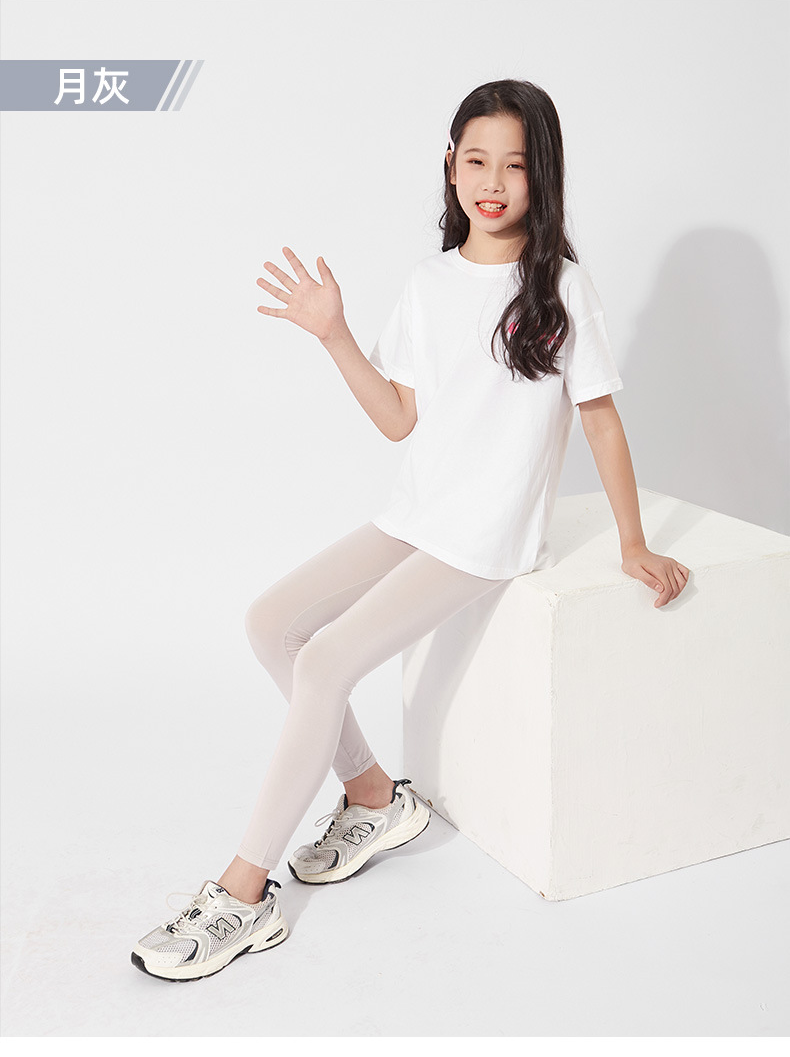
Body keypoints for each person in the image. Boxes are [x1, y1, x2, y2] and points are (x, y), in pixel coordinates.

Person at [131, 79, 689, 981]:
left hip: (486, 537)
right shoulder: (430, 283)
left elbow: (600, 419)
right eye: (477, 160)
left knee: (323, 660)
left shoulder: (559, 285)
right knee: (270, 624)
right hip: (418, 513)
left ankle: (242, 893)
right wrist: (334, 334)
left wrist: (632, 542)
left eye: (515, 165)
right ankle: (371, 795)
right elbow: (399, 420)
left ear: (543, 177)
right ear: (450, 164)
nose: (493, 182)